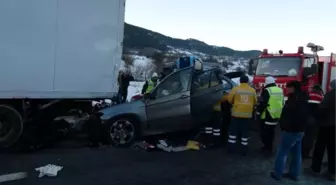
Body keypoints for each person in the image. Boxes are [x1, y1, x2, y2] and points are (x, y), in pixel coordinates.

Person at [270, 80, 309, 181]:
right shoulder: (302, 98)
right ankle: (294, 174)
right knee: (296, 153)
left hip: (291, 130)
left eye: (288, 87)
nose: (286, 89)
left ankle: (277, 173)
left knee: (282, 151)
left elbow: (291, 115)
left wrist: (284, 125)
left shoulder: (294, 100)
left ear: (293, 88)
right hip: (300, 130)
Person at [306, 80, 336, 181]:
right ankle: (332, 172)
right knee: (333, 150)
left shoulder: (330, 95)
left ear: (332, 86)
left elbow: (322, 109)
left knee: (319, 148)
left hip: (327, 126)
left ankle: (315, 169)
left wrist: (316, 119)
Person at [227, 75, 257, 156]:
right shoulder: (252, 90)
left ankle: (231, 149)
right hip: (247, 116)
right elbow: (255, 101)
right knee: (245, 133)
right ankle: (244, 150)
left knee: (233, 132)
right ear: (247, 81)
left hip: (236, 115)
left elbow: (229, 100)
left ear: (240, 81)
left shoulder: (235, 89)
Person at [257, 76, 284, 156]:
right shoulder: (279, 90)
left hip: (267, 115)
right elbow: (282, 102)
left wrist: (258, 112)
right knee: (271, 132)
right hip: (276, 114)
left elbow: (263, 103)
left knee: (265, 132)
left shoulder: (266, 90)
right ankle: (269, 148)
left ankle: (267, 148)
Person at [302, 84, 324, 158]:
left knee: (303, 135)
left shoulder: (308, 95)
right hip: (315, 120)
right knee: (310, 137)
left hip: (305, 118)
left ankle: (299, 151)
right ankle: (306, 153)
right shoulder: (321, 96)